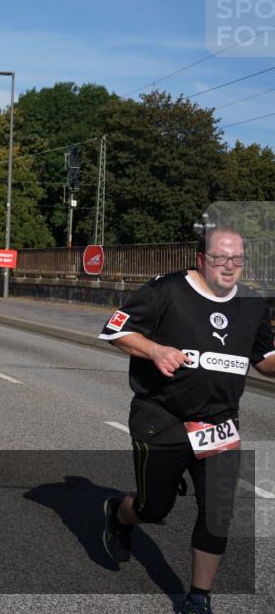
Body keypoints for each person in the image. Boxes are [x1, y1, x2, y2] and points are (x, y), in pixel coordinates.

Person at [98, 224, 274, 614]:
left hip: (220, 425)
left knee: (218, 515)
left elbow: (265, 361)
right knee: (153, 509)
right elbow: (115, 330)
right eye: (220, 257)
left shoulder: (252, 304)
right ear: (200, 259)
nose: (229, 266)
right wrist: (154, 350)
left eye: (237, 258)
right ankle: (120, 516)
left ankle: (198, 598)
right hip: (163, 420)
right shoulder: (167, 290)